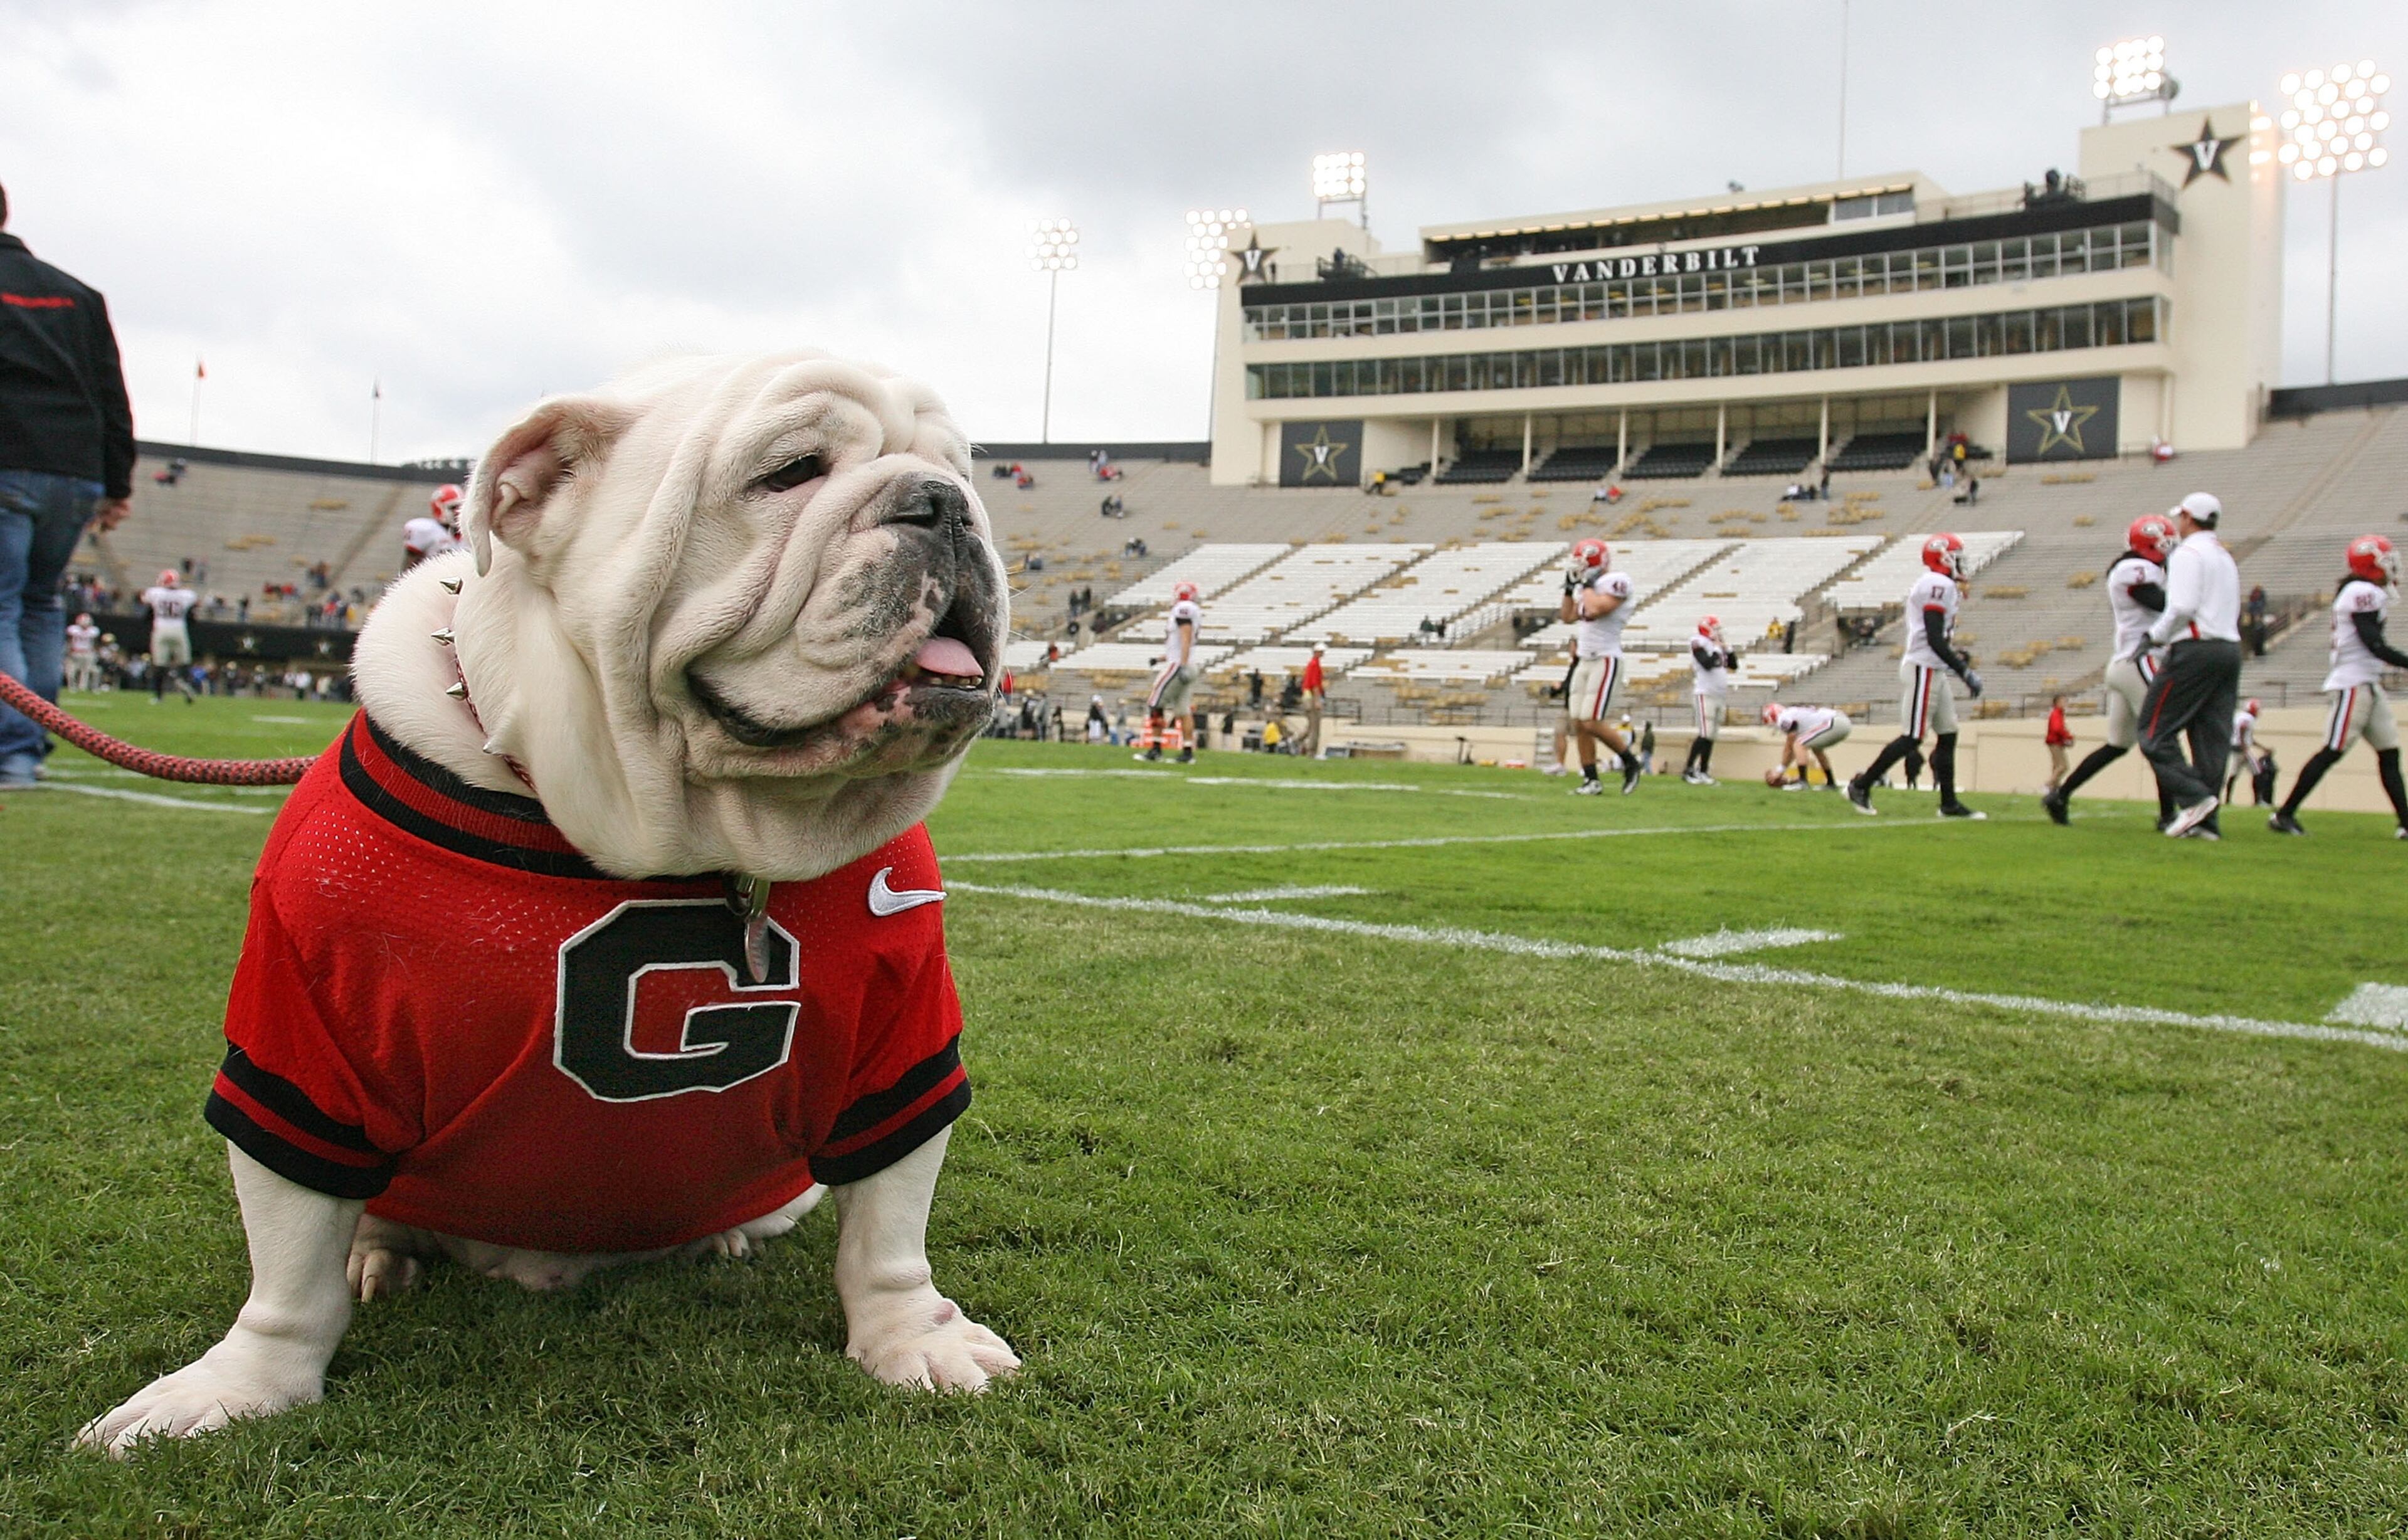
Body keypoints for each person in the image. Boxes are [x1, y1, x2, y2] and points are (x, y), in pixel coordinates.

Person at [0, 182, 136, 785]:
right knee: (41, 604)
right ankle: (32, 742)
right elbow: (112, 395)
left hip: (9, 461)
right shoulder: (78, 294)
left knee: (4, 606)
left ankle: (14, 749)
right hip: (75, 471)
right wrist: (117, 482)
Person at [2043, 512, 2177, 828]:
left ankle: (2060, 796)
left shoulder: (2143, 567)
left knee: (2118, 745)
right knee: (2161, 737)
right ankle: (2169, 814)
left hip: (2125, 663)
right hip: (2139, 661)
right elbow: (2164, 603)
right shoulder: (2134, 570)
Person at [2271, 533, 2408, 838]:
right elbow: (2374, 644)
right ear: (2371, 566)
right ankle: (2284, 814)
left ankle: (2406, 824)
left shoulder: (2362, 590)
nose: (2391, 569)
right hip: (2352, 684)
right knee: (2333, 750)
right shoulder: (2362, 592)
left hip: (2367, 684)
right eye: (2385, 563)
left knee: (2390, 753)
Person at [1846, 533, 1985, 820]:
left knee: (1948, 734)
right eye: (1956, 556)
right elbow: (1934, 638)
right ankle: (1861, 785)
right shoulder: (1937, 583)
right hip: (1923, 665)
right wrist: (1964, 671)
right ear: (1943, 557)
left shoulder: (1942, 584)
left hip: (1933, 668)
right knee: (1912, 737)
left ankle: (1949, 804)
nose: (1961, 562)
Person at [2137, 492, 2243, 839]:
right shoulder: (2224, 556)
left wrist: (2154, 635)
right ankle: (2207, 823)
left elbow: (2181, 607)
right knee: (2211, 737)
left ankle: (2195, 800)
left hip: (2196, 649)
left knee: (2154, 733)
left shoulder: (2188, 553)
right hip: (2229, 648)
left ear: (2187, 518)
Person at [1559, 539, 1644, 796]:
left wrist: (1585, 585)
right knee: (1578, 723)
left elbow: (1596, 609)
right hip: (1584, 659)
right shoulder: (1590, 587)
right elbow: (1568, 616)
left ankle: (1630, 762)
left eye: (1583, 562)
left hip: (1606, 658)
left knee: (1591, 721)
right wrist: (1568, 588)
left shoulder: (1617, 581)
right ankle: (1591, 780)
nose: (1579, 567)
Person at [1140, 580, 1203, 764]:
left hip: (1179, 665)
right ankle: (1188, 752)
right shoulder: (1193, 610)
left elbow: (1186, 636)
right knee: (1183, 711)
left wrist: (1181, 664)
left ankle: (1156, 749)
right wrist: (1160, 659)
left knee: (1155, 703)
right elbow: (1180, 644)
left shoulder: (1183, 608)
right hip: (1188, 664)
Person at [1682, 615, 1735, 784]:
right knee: (1705, 733)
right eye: (1716, 628)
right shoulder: (1698, 642)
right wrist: (1718, 650)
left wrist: (1728, 649)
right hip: (1705, 693)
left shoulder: (1716, 646)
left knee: (1711, 735)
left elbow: (1734, 665)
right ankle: (1689, 770)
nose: (1719, 632)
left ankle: (1703, 771)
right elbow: (1707, 662)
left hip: (1719, 695)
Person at [139, 569, 201, 704]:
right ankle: (182, 680)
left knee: (160, 665)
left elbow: (147, 614)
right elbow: (192, 618)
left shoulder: (155, 593)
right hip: (179, 629)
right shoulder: (186, 595)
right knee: (184, 661)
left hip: (161, 629)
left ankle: (159, 696)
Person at [1763, 701, 1853, 788]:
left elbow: (1789, 746)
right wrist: (1785, 776)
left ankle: (1803, 782)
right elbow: (1794, 751)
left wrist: (1780, 771)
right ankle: (1831, 783)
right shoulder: (1793, 713)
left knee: (1799, 744)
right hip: (1842, 722)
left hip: (1835, 722)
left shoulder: (1783, 717)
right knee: (1815, 748)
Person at [402, 484, 465, 570]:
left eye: (461, 507)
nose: (458, 512)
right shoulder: (425, 530)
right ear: (439, 508)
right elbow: (408, 570)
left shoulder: (470, 533)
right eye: (453, 508)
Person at [2225, 698, 2262, 805]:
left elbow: (2248, 738)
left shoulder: (2239, 715)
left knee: (2234, 773)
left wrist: (2263, 748)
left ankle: (2227, 800)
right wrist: (2244, 748)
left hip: (2235, 747)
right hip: (2241, 749)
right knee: (2258, 771)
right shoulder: (2248, 718)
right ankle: (2258, 800)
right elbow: (2243, 729)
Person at [1299, 641, 1326, 757]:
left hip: (1307, 696)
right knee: (1315, 727)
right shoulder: (1315, 665)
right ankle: (1312, 752)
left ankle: (1294, 741)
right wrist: (1317, 700)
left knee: (1311, 726)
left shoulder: (1312, 664)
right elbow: (1315, 684)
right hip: (1311, 697)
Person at [64, 609, 100, 692]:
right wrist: (69, 650)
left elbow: (95, 642)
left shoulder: (93, 630)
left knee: (86, 671)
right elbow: (69, 640)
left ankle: (83, 687)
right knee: (71, 671)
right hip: (76, 652)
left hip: (87, 652)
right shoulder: (74, 629)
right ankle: (72, 686)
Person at [2044, 694, 2073, 792]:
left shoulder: (2059, 714)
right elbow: (2057, 728)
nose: (2066, 704)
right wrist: (2068, 737)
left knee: (2056, 766)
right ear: (2057, 703)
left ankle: (2054, 789)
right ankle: (2049, 784)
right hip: (2055, 743)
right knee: (2063, 766)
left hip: (2055, 742)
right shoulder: (2056, 714)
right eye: (2064, 701)